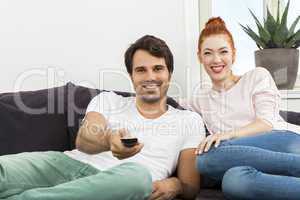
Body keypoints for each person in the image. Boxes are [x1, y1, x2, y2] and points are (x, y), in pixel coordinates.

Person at [0, 35, 205, 200]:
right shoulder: (108, 100)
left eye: (158, 68)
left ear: (169, 73)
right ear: (131, 76)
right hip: (66, 164)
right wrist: (109, 140)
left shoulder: (188, 120)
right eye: (141, 70)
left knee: (138, 178)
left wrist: (175, 184)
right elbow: (84, 139)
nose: (150, 76)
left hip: (119, 183)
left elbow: (190, 185)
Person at [180, 17, 300, 200]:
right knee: (233, 182)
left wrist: (227, 135)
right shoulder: (199, 99)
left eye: (223, 52)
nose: (216, 59)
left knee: (206, 159)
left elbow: (266, 123)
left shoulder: (256, 76)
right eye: (208, 53)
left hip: (284, 141)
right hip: (245, 160)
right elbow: (163, 104)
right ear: (199, 57)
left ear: (233, 54)